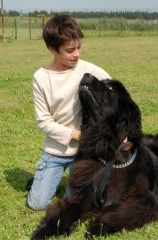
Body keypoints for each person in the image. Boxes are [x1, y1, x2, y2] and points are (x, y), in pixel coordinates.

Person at [27, 15, 111, 210]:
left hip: (84, 153)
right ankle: (40, 180)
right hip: (55, 152)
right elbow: (44, 122)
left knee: (78, 203)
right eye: (70, 50)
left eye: (79, 47)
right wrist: (76, 135)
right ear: (51, 48)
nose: (77, 54)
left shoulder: (88, 70)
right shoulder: (40, 78)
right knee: (38, 205)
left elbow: (112, 91)